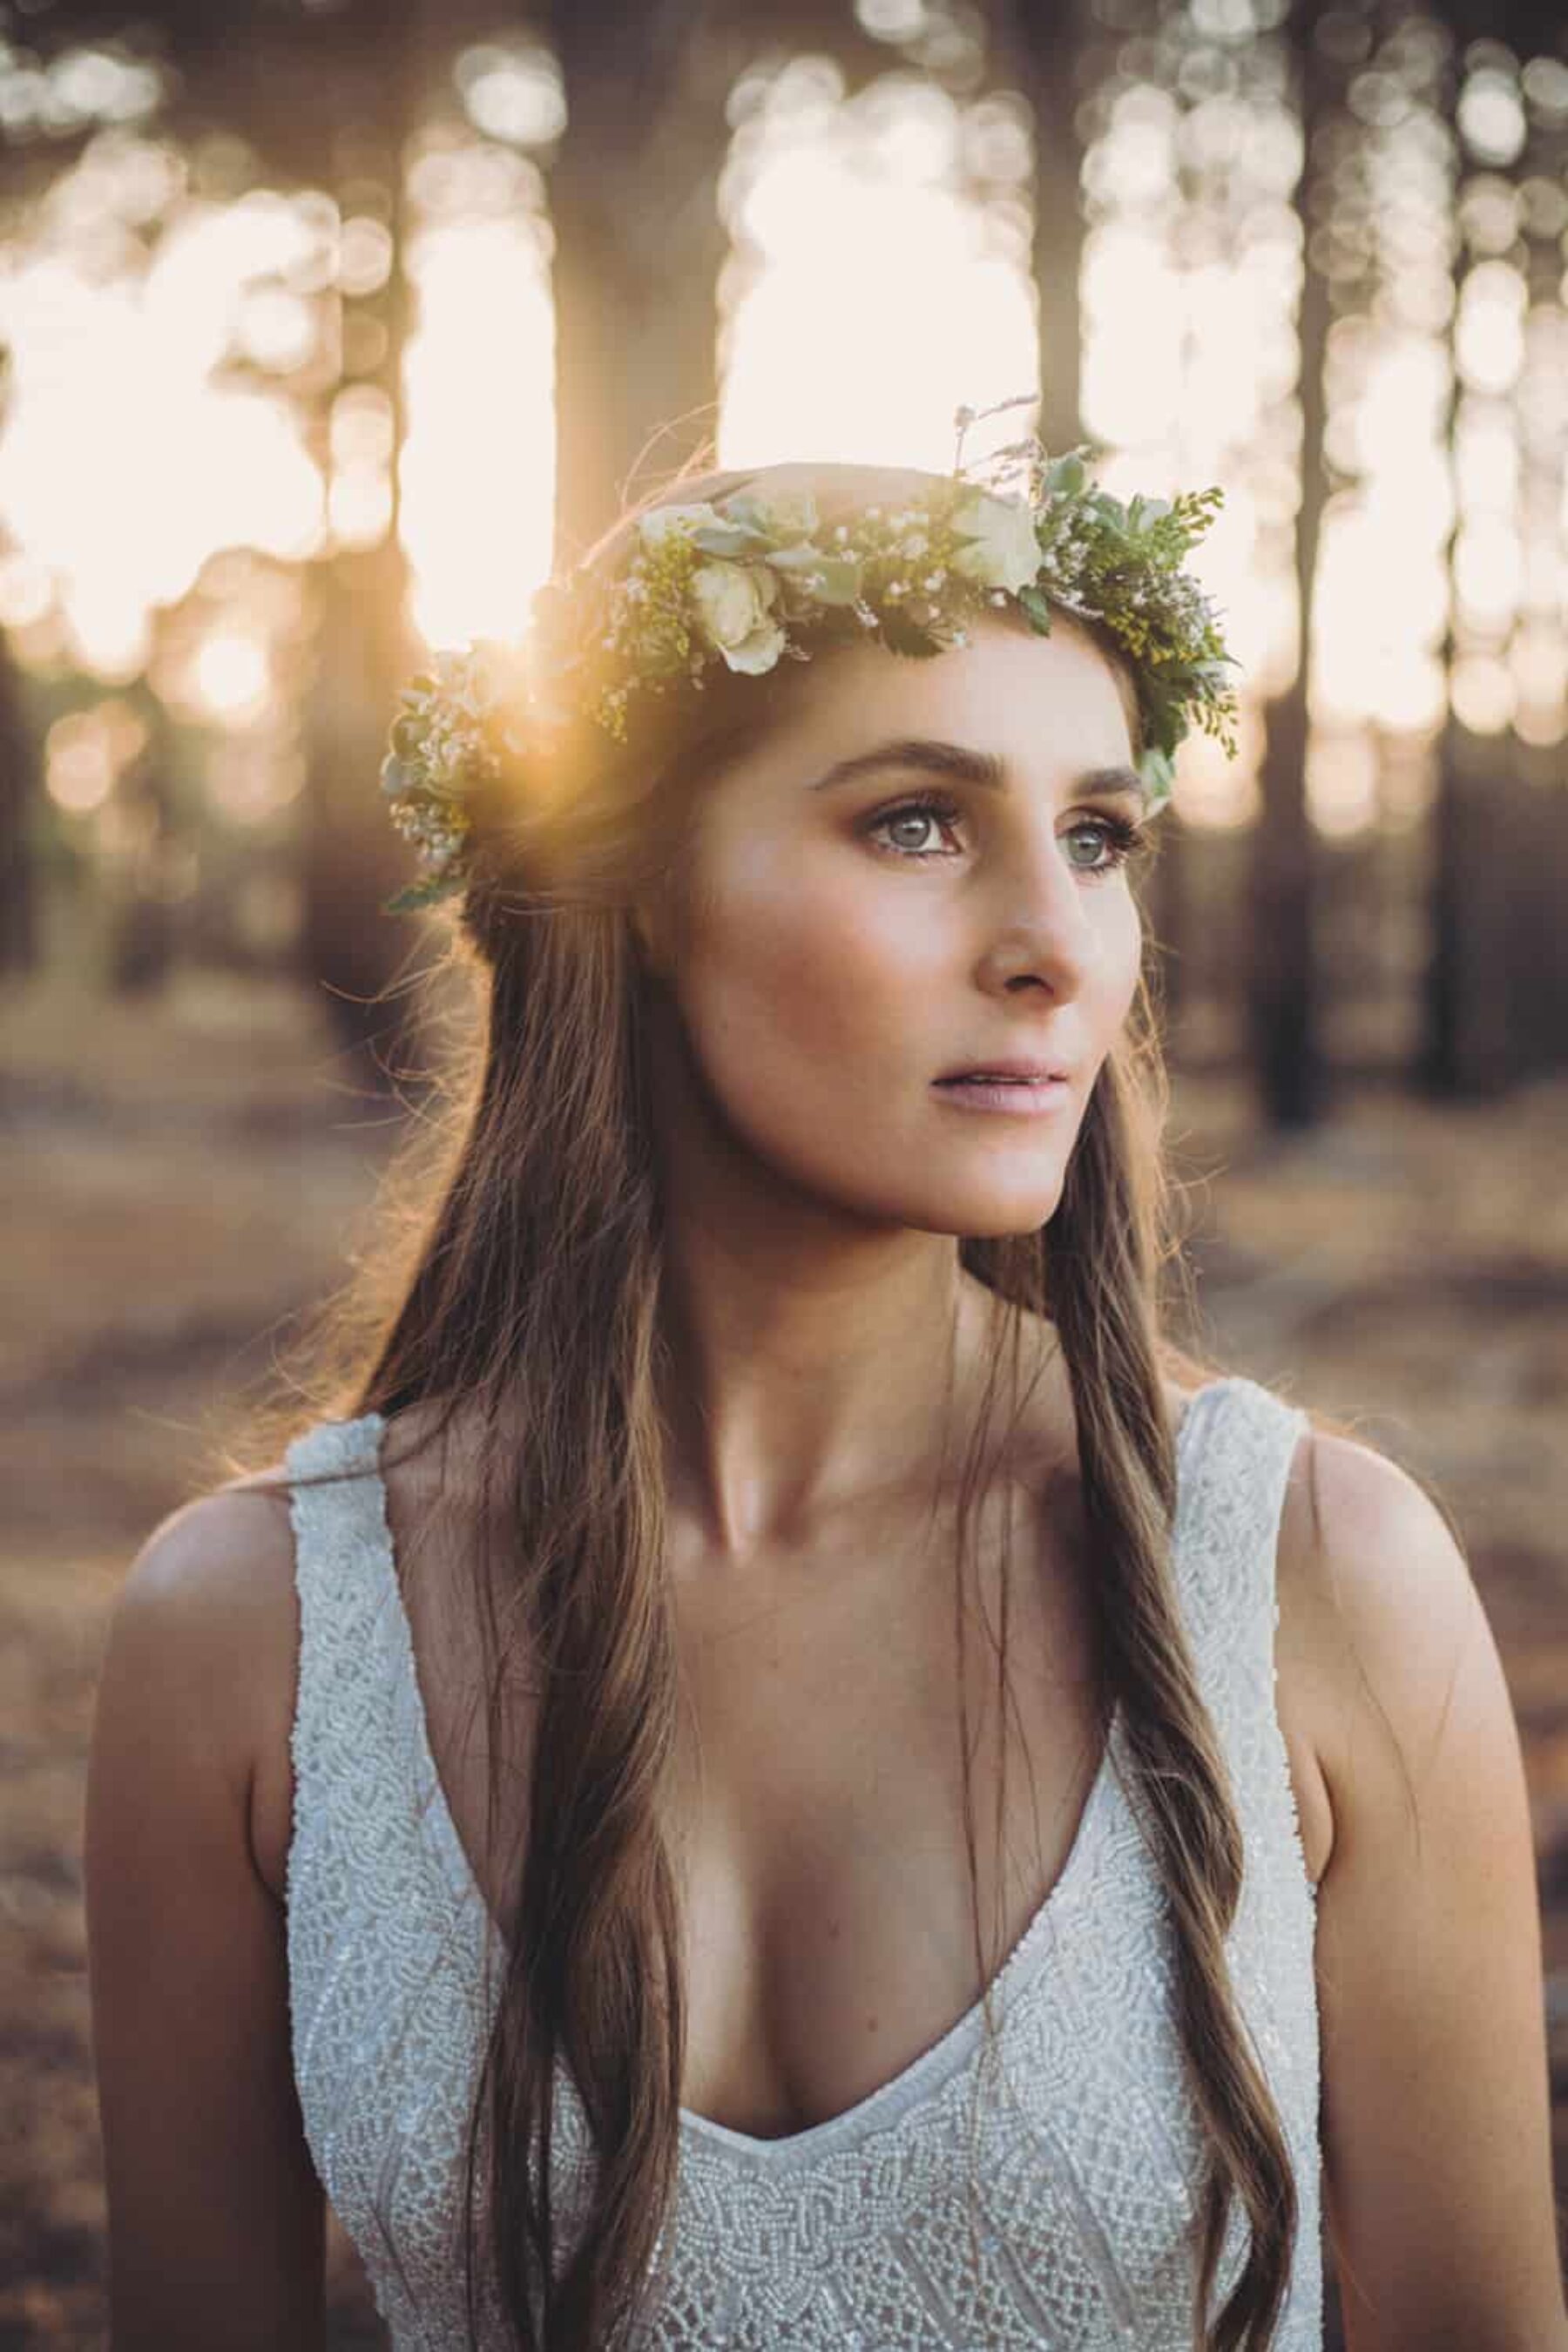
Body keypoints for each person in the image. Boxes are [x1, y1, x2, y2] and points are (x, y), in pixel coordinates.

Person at [84, 421, 1566, 2352]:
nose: (1057, 950)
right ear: (631, 898)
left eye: (1100, 837)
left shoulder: (1314, 1581)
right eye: (919, 823)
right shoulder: (253, 1639)